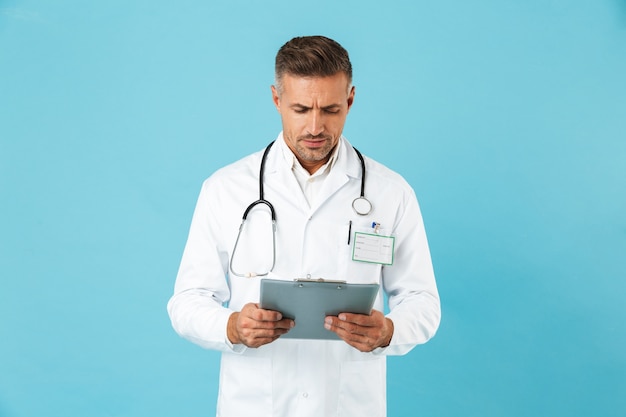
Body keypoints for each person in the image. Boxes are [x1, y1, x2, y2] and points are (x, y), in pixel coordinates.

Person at [167, 35, 440, 417]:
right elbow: (187, 301)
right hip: (254, 404)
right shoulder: (225, 189)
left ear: (350, 100)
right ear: (277, 100)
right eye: (300, 109)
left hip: (348, 405)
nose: (315, 126)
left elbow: (423, 301)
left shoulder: (391, 192)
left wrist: (389, 331)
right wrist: (231, 327)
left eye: (330, 109)